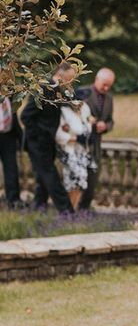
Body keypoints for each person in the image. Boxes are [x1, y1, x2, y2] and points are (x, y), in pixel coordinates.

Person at [20, 62, 76, 214]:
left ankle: (39, 207)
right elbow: (26, 116)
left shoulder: (58, 91)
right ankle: (67, 211)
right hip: (38, 143)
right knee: (51, 176)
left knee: (43, 177)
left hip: (48, 142)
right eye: (69, 79)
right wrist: (39, 137)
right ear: (60, 75)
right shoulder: (43, 88)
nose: (70, 83)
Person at [76, 67, 115, 210]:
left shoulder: (110, 98)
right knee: (77, 180)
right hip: (80, 145)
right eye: (104, 84)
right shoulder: (82, 92)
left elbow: (111, 121)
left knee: (92, 182)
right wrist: (90, 123)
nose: (106, 88)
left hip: (96, 147)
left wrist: (106, 126)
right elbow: (73, 115)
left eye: (109, 85)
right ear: (97, 79)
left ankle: (84, 210)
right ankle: (70, 210)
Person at [55, 99, 94, 210]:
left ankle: (72, 209)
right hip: (68, 151)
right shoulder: (64, 112)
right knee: (76, 178)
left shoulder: (85, 110)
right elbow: (60, 134)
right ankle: (68, 209)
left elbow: (87, 127)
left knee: (79, 182)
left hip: (82, 152)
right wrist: (76, 138)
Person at [0, 95, 23, 208]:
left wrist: (22, 139)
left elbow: (13, 116)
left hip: (8, 136)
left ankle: (13, 200)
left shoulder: (9, 95)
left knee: (11, 168)